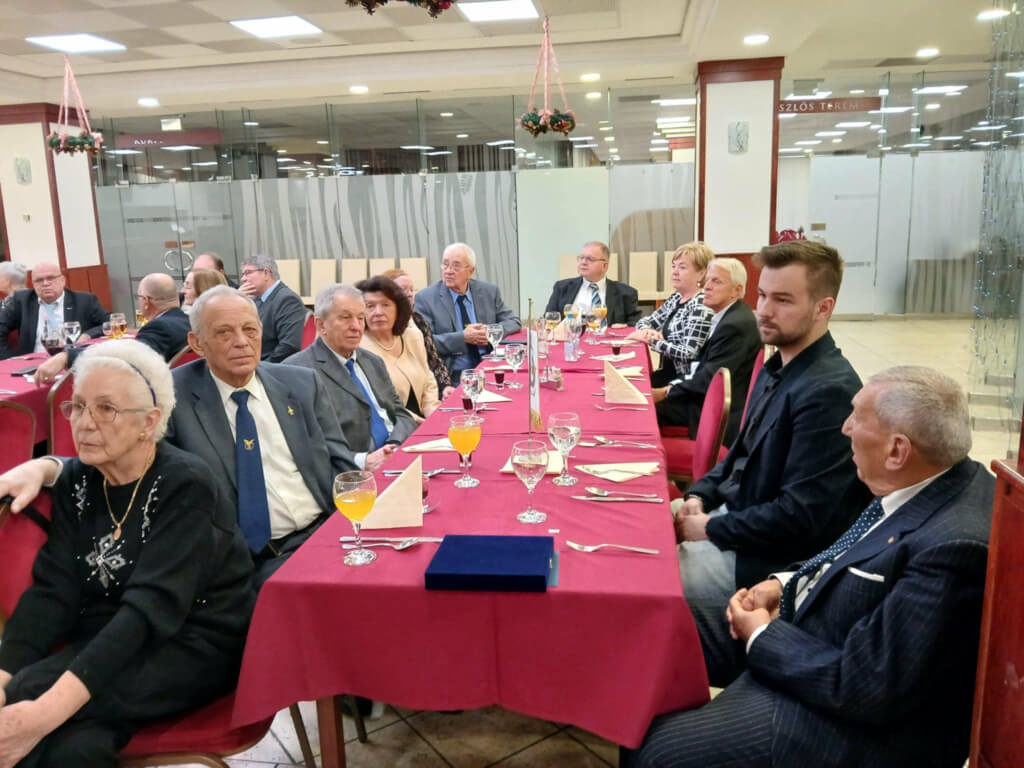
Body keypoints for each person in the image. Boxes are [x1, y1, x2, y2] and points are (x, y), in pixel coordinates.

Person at [627, 367, 993, 768]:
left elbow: (867, 685)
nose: (845, 428)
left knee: (661, 754)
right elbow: (847, 554)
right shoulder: (922, 477)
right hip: (817, 637)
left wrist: (762, 636)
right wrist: (783, 584)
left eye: (856, 418)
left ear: (896, 450)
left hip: (848, 722)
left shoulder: (953, 549)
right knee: (649, 628)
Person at [0, 340, 254, 768]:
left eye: (106, 409)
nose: (84, 423)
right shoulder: (79, 479)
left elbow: (149, 611)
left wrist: (40, 715)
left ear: (148, 421)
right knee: (73, 748)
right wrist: (2, 675)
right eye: (78, 406)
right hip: (112, 636)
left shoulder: (186, 484)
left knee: (30, 697)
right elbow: (53, 593)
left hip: (196, 642)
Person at [674, 240, 870, 604]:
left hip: (766, 555)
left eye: (782, 300)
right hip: (735, 515)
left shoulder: (829, 391)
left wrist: (711, 527)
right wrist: (700, 495)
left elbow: (800, 517)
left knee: (661, 581)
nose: (763, 310)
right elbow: (737, 455)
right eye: (762, 295)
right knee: (641, 529)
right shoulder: (776, 367)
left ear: (823, 307)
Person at [164, 285, 358, 585]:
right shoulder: (172, 399)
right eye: (224, 333)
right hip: (245, 563)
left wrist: (347, 530)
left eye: (250, 330)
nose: (242, 342)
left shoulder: (300, 384)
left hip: (325, 536)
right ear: (197, 343)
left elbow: (341, 466)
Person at [285, 283, 416, 471]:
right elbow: (308, 441)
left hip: (397, 454)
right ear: (321, 325)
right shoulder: (296, 371)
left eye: (361, 318)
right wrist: (363, 461)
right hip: (353, 472)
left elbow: (401, 413)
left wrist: (393, 445)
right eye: (345, 318)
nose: (356, 326)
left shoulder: (373, 361)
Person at [653, 258, 761, 445]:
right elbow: (701, 369)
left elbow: (709, 380)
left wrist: (665, 392)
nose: (707, 287)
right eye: (707, 280)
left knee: (638, 410)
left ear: (736, 290)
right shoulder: (729, 316)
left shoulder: (735, 326)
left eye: (716, 281)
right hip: (703, 397)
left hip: (710, 410)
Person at [33, 273, 192, 386]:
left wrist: (67, 357)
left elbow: (123, 357)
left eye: (139, 297)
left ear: (145, 302)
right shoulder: (188, 321)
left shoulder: (159, 328)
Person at [414, 242, 521, 379]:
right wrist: (462, 338)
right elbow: (422, 342)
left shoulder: (488, 292)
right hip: (454, 374)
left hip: (489, 367)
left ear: (471, 271)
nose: (448, 271)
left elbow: (514, 321)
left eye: (456, 266)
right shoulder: (426, 298)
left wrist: (491, 332)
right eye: (445, 264)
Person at [629, 242, 715, 387]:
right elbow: (646, 321)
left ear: (701, 273)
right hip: (667, 372)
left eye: (682, 267)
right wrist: (648, 331)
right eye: (673, 266)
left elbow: (688, 353)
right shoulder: (677, 297)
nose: (675, 272)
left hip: (683, 381)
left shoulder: (701, 305)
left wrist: (652, 341)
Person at [357, 275, 440, 421]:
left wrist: (432, 413)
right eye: (370, 306)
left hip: (426, 418)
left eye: (385, 305)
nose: (378, 312)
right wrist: (421, 423)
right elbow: (382, 401)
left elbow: (428, 379)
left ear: (398, 309)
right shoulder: (359, 348)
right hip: (393, 424)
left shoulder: (412, 336)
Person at [0, 262, 109, 359]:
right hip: (33, 363)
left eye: (51, 278)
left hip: (73, 360)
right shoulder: (22, 301)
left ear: (62, 280)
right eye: (39, 280)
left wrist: (88, 334)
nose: (45, 283)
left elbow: (110, 323)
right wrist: (7, 360)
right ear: (33, 284)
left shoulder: (84, 300)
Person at [382, 267, 454, 399]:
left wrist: (445, 386)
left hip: (427, 390)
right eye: (403, 289)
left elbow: (434, 360)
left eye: (412, 290)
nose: (409, 294)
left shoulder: (418, 320)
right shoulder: (383, 327)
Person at [544, 241, 641, 326]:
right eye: (581, 258)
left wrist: (625, 326)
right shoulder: (562, 288)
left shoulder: (626, 293)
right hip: (572, 338)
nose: (583, 262)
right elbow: (549, 318)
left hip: (606, 340)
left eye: (590, 259)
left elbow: (636, 322)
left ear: (604, 266)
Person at [238, 255, 305, 363]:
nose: (243, 279)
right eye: (243, 274)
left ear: (266, 273)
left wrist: (260, 368)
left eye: (248, 273)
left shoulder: (288, 300)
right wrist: (237, 301)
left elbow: (289, 346)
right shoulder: (254, 299)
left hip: (272, 368)